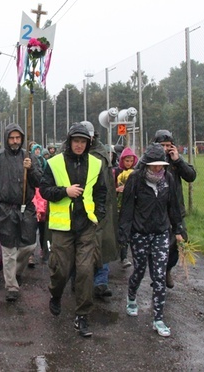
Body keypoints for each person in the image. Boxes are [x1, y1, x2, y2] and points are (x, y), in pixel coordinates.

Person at [40, 123, 108, 338]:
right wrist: (65, 191)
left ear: (88, 143)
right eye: (76, 141)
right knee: (61, 270)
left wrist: (98, 215)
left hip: (87, 225)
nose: (79, 145)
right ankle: (56, 295)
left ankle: (82, 316)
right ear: (69, 142)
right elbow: (44, 190)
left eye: (83, 141)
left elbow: (101, 192)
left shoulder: (97, 163)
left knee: (86, 271)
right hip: (62, 227)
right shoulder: (54, 163)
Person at [118, 144, 185, 338]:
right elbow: (127, 208)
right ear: (146, 164)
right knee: (139, 270)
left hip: (161, 232)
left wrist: (178, 228)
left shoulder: (168, 179)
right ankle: (131, 297)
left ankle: (158, 318)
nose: (158, 169)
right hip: (140, 233)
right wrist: (124, 233)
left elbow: (173, 206)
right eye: (154, 165)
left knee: (159, 275)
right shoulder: (135, 180)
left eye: (161, 165)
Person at [0, 122, 40, 302]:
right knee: (9, 248)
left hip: (26, 207)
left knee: (29, 245)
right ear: (6, 139)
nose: (14, 141)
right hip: (4, 209)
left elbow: (39, 182)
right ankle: (11, 285)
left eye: (17, 138)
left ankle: (15, 272)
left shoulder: (28, 158)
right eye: (11, 138)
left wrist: (32, 168)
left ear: (21, 139)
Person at [79, 121, 119, 300]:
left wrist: (103, 207)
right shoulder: (70, 153)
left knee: (101, 243)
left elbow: (106, 184)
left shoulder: (101, 154)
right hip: (78, 206)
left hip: (100, 206)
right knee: (80, 246)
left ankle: (101, 282)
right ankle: (79, 281)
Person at [153, 130, 197, 288]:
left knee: (178, 242)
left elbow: (191, 176)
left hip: (175, 210)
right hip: (156, 211)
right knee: (158, 245)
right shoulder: (150, 161)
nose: (165, 149)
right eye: (162, 145)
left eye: (168, 145)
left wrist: (177, 161)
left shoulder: (176, 161)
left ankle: (167, 270)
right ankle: (157, 273)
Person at [115, 146, 138, 268]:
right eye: (126, 160)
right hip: (118, 204)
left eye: (130, 161)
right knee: (118, 229)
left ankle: (124, 257)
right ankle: (117, 251)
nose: (128, 163)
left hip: (130, 205)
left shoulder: (136, 173)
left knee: (126, 231)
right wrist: (117, 190)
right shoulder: (116, 172)